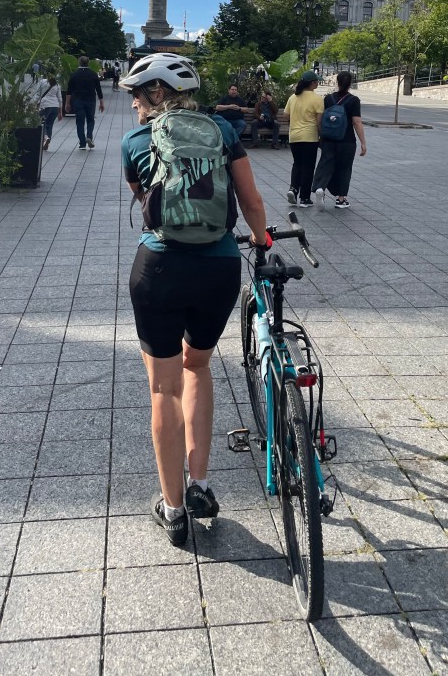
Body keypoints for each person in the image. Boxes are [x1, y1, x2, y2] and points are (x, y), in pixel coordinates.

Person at [119, 53, 269, 547]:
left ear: (158, 92)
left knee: (163, 389)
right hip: (218, 268)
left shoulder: (135, 142)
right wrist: (261, 239)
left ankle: (173, 509)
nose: (134, 103)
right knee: (198, 366)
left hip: (159, 269)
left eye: (137, 94)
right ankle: (200, 485)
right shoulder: (222, 130)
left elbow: (145, 200)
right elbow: (250, 201)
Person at [312, 71, 366, 209]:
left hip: (328, 139)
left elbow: (321, 119)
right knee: (345, 168)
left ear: (337, 82)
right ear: (350, 84)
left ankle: (320, 187)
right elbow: (357, 122)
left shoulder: (328, 99)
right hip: (347, 141)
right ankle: (341, 199)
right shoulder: (354, 100)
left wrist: (321, 135)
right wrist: (363, 142)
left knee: (326, 164)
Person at [284, 70, 324, 208]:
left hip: (294, 136)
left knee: (297, 164)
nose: (318, 83)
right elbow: (319, 122)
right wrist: (321, 136)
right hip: (309, 137)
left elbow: (286, 116)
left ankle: (293, 189)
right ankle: (305, 198)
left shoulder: (292, 97)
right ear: (312, 83)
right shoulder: (317, 99)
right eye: (317, 81)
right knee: (308, 167)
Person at [65, 56, 104, 149]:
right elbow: (98, 89)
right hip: (90, 100)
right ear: (88, 63)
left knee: (80, 121)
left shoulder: (74, 74)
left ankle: (82, 143)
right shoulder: (93, 74)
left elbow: (69, 90)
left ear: (79, 62)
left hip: (78, 100)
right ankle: (89, 136)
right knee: (90, 120)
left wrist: (67, 103)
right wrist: (101, 102)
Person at [37, 73, 63, 150]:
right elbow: (60, 99)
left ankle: (45, 138)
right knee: (50, 125)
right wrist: (60, 112)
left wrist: (35, 104)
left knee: (42, 122)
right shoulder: (57, 84)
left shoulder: (42, 82)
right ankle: (47, 143)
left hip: (45, 106)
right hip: (55, 106)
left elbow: (38, 94)